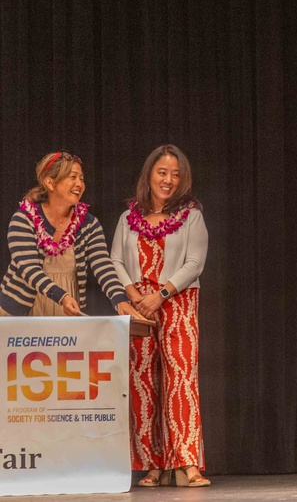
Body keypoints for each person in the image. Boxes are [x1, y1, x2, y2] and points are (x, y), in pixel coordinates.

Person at [110, 145, 210, 488]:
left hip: (177, 301)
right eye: (162, 172)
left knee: (180, 380)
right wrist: (136, 296)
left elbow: (194, 263)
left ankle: (187, 463)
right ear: (149, 175)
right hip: (139, 307)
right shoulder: (128, 218)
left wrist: (161, 294)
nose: (168, 180)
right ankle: (152, 465)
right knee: (143, 383)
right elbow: (116, 263)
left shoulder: (191, 215)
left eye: (175, 174)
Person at [0, 151, 140, 319]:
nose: (79, 184)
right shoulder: (23, 220)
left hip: (66, 310)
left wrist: (120, 300)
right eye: (72, 177)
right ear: (50, 183)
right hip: (21, 311)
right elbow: (29, 269)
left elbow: (103, 267)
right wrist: (62, 297)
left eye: (81, 179)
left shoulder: (89, 224)